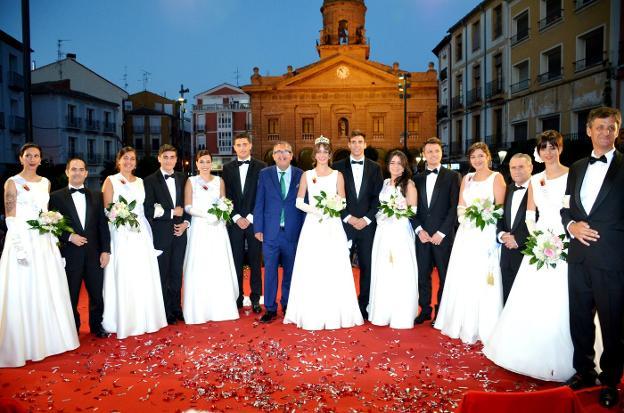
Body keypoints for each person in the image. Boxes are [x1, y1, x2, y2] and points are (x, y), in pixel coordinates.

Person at [484, 131, 574, 381]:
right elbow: (530, 215)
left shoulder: (572, 175)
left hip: (564, 240)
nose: (549, 152)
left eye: (552, 147)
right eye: (544, 147)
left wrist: (560, 239)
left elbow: (571, 209)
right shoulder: (536, 180)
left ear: (560, 148)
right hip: (539, 241)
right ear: (539, 151)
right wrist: (538, 239)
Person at [561, 107, 624, 408]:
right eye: (599, 127)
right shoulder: (576, 167)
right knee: (579, 319)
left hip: (612, 259)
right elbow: (565, 208)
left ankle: (611, 380)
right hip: (578, 258)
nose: (604, 133)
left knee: (613, 323)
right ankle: (584, 371)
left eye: (610, 128)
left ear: (617, 131)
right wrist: (571, 226)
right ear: (588, 130)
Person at [0, 143, 79, 367]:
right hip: (22, 239)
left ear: (40, 159)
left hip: (44, 240)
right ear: (20, 158)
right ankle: (24, 344)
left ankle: (50, 340)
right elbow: (10, 216)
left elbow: (46, 213)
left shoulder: (46, 183)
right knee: (24, 287)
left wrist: (54, 238)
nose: (33, 159)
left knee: (47, 287)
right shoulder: (12, 182)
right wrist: (18, 245)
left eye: (36, 156)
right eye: (28, 156)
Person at [284, 136, 363, 330]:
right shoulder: (307, 175)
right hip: (313, 225)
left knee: (333, 265)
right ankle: (311, 312)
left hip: (332, 225)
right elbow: (299, 202)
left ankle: (336, 312)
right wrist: (317, 210)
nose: (321, 155)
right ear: (315, 154)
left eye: (325, 152)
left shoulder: (338, 175)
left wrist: (333, 207)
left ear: (329, 154)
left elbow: (343, 202)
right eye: (318, 151)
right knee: (312, 266)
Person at [434, 142, 506, 344]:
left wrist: (485, 218)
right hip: (466, 233)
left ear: (488, 157)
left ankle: (484, 325)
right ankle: (460, 321)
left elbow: (500, 208)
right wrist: (466, 218)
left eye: (481, 156)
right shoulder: (466, 178)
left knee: (482, 276)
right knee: (463, 274)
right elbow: (460, 206)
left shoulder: (496, 177)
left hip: (485, 233)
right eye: (473, 157)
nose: (477, 160)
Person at [101, 147, 167, 339]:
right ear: (118, 161)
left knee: (142, 273)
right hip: (120, 232)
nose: (129, 162)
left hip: (140, 233)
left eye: (132, 159)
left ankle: (145, 318)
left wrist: (157, 209)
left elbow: (143, 208)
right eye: (125, 158)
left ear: (136, 163)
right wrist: (120, 215)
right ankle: (124, 319)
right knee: (124, 272)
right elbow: (106, 209)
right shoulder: (110, 180)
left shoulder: (140, 182)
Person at [49, 157, 111, 338]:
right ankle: (72, 329)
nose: (77, 172)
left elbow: (102, 226)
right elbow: (50, 226)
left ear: (86, 173)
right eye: (73, 169)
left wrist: (106, 250)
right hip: (70, 255)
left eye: (81, 169)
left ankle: (96, 326)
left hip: (94, 255)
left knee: (97, 295)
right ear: (67, 172)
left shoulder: (96, 196)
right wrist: (69, 237)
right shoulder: (55, 197)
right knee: (71, 295)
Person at [182, 150, 239, 323]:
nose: (205, 165)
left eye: (208, 161)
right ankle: (198, 310)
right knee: (200, 265)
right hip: (200, 227)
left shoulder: (219, 181)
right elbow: (187, 207)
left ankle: (221, 309)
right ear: (197, 164)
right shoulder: (191, 181)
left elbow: (224, 202)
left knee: (217, 264)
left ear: (211, 163)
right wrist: (206, 215)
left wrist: (221, 213)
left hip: (217, 229)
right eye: (202, 162)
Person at [333, 131, 383, 320]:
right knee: (340, 265)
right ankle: (341, 304)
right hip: (344, 224)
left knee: (367, 267)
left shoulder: (375, 168)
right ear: (348, 145)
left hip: (368, 226)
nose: (356, 145)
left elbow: (378, 197)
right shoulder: (337, 167)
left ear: (365, 144)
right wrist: (347, 217)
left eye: (360, 142)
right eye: (353, 142)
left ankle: (364, 305)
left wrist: (367, 219)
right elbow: (334, 196)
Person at [253, 141, 305, 323]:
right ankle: (270, 309)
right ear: (273, 156)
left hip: (292, 232)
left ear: (292, 155)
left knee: (291, 272)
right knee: (270, 273)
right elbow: (259, 202)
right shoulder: (264, 174)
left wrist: (304, 232)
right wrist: (258, 228)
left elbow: (304, 205)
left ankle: (288, 305)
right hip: (270, 233)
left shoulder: (301, 175)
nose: (282, 155)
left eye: (286, 152)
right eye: (278, 152)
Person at [412, 137, 461, 325]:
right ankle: (424, 309)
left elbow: (454, 207)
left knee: (444, 275)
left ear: (441, 153)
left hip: (443, 237)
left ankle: (441, 312)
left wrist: (442, 233)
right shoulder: (416, 179)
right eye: (429, 151)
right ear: (424, 154)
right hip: (423, 237)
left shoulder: (452, 176)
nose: (433, 155)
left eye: (436, 151)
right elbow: (411, 209)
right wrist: (419, 230)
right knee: (422, 275)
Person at [368, 150, 419, 329]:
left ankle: (401, 313)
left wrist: (396, 213)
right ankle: (382, 312)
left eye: (399, 163)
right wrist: (382, 215)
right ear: (388, 165)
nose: (395, 166)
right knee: (383, 269)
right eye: (392, 163)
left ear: (404, 166)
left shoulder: (409, 185)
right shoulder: (383, 183)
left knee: (399, 269)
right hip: (383, 232)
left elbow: (413, 210)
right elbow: (378, 207)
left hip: (399, 232)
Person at [143, 144, 189, 325]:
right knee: (163, 274)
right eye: (166, 157)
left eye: (172, 157)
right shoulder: (149, 181)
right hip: (161, 235)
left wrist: (185, 223)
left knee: (177, 273)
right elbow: (148, 210)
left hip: (180, 233)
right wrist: (171, 213)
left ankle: (177, 308)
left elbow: (188, 205)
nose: (169, 160)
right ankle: (165, 310)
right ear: (159, 158)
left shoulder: (183, 178)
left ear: (176, 160)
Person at [221, 133, 267, 313]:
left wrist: (250, 217)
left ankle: (256, 298)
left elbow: (261, 196)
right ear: (234, 148)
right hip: (234, 222)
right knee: (236, 261)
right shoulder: (227, 168)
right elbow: (226, 195)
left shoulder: (261, 167)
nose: (241, 147)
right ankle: (238, 297)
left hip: (254, 222)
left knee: (256, 262)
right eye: (238, 145)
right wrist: (235, 217)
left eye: (244, 144)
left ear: (250, 146)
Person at [496, 153, 532, 304]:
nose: (517, 171)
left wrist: (518, 239)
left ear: (530, 167)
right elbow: (498, 216)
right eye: (513, 167)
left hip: (527, 252)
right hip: (506, 252)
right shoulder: (506, 189)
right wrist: (502, 235)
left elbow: (541, 219)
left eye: (521, 167)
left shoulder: (538, 189)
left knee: (525, 297)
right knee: (506, 293)